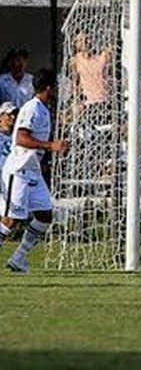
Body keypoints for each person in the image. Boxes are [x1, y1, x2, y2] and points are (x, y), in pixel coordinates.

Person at [0, 69, 69, 273]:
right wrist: (50, 146)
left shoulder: (44, 109)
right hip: (19, 170)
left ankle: (18, 258)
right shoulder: (32, 108)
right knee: (11, 220)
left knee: (45, 214)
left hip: (33, 170)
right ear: (49, 88)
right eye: (55, 87)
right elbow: (21, 138)